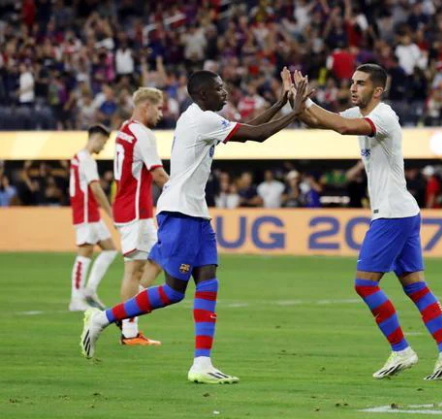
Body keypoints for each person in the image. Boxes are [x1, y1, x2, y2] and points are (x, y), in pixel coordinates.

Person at [81, 70, 310, 385]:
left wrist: (282, 102)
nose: (225, 91)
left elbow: (252, 126)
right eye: (218, 88)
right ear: (202, 94)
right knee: (174, 291)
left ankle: (202, 363)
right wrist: (295, 113)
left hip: (196, 213)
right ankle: (102, 318)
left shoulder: (203, 118)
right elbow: (256, 136)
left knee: (208, 284)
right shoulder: (199, 120)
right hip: (179, 213)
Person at [283, 64, 442, 380]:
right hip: (403, 211)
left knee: (365, 283)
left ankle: (402, 350)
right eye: (352, 82)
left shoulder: (383, 116)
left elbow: (339, 126)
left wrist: (305, 102)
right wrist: (297, 99)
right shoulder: (360, 114)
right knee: (416, 287)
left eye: (361, 83)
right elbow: (316, 122)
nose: (353, 87)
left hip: (392, 214)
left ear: (377, 90)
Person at [112, 87, 170, 346]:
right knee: (134, 269)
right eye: (158, 108)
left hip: (137, 208)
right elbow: (157, 174)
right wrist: (182, 193)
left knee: (160, 259)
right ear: (146, 106)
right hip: (133, 210)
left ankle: (126, 314)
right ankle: (128, 330)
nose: (161, 114)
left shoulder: (126, 128)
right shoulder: (143, 134)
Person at [68, 125, 118, 311]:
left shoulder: (78, 157)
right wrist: (111, 214)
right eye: (103, 143)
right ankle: (76, 298)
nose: (103, 147)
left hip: (91, 213)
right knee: (85, 252)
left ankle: (89, 290)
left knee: (110, 249)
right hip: (86, 213)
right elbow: (96, 189)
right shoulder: (86, 160)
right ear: (96, 138)